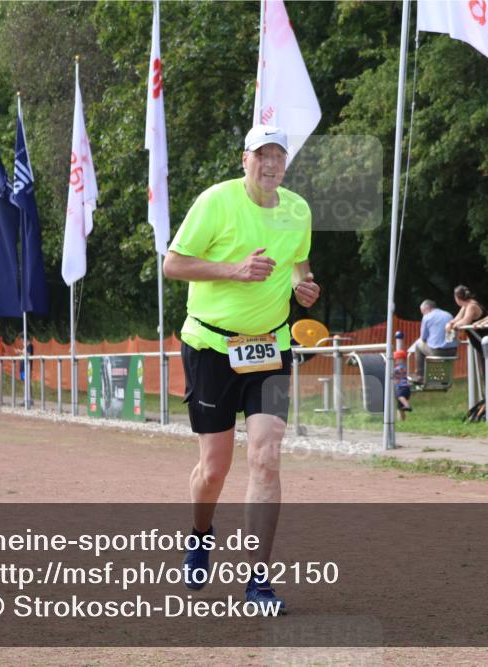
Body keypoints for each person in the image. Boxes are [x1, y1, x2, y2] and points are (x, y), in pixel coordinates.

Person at [162, 125, 319, 614]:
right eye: (261, 155)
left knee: (266, 457)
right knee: (214, 469)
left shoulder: (298, 209)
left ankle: (258, 581)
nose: (270, 163)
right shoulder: (215, 203)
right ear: (244, 159)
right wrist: (233, 269)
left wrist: (304, 287)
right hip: (212, 346)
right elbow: (173, 264)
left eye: (278, 155)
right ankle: (201, 534)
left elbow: (300, 263)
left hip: (271, 348)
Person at [447, 285, 488, 395]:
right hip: (482, 345)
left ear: (457, 298)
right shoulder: (466, 306)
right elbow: (455, 320)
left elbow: (464, 322)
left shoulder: (472, 306)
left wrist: (451, 326)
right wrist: (450, 324)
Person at [412, 299, 458, 383]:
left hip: (438, 352)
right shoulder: (448, 315)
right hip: (452, 351)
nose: (423, 314)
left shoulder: (427, 317)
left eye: (423, 312)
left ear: (427, 308)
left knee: (418, 344)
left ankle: (420, 376)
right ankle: (442, 377)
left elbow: (423, 338)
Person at [394, 350, 413, 420]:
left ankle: (407, 405)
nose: (395, 361)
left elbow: (396, 379)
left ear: (401, 359)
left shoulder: (398, 369)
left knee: (400, 396)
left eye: (397, 359)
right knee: (400, 408)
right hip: (407, 388)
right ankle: (402, 421)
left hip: (402, 388)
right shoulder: (404, 367)